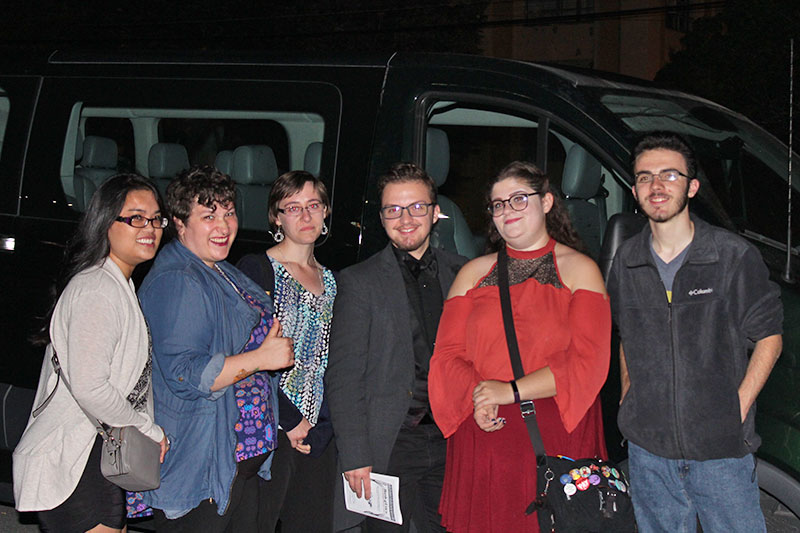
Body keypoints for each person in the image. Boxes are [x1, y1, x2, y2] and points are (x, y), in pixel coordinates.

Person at [606, 132, 783, 532]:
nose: (657, 186)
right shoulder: (627, 261)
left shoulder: (731, 256)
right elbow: (626, 335)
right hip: (649, 452)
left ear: (692, 186)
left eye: (670, 175)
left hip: (720, 453)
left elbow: (770, 337)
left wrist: (735, 408)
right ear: (634, 190)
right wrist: (628, 398)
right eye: (645, 177)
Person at [428, 161, 610, 533]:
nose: (506, 211)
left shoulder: (579, 270)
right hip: (485, 430)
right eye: (497, 204)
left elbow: (587, 359)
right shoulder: (472, 274)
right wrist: (477, 397)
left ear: (546, 202)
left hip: (555, 432)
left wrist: (510, 391)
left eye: (517, 200)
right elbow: (447, 355)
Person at [137, 165, 294, 532]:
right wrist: (261, 359)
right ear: (179, 222)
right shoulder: (179, 280)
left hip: (239, 458)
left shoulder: (218, 269)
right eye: (209, 216)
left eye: (229, 212)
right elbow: (186, 375)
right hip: (204, 462)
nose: (223, 226)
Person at [13, 174, 169, 533]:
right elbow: (90, 387)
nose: (150, 228)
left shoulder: (119, 283)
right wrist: (150, 429)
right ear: (105, 222)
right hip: (74, 461)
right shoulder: (97, 288)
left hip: (96, 455)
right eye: (135, 218)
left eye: (156, 218)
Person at [326, 162, 467, 532]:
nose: (405, 219)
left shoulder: (465, 273)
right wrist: (355, 454)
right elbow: (343, 376)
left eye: (417, 207)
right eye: (393, 209)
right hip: (392, 442)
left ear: (436, 212)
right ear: (382, 216)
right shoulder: (360, 282)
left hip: (454, 440)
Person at [236, 170, 337, 532]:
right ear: (277, 217)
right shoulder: (255, 270)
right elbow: (245, 359)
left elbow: (332, 361)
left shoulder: (333, 280)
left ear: (326, 212)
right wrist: (292, 421)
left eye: (313, 205)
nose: (305, 216)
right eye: (293, 207)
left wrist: (317, 426)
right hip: (271, 426)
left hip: (318, 434)